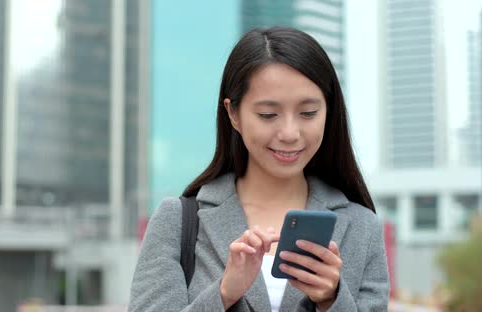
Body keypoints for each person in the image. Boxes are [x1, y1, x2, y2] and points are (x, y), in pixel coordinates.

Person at [129, 26, 389, 312]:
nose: (290, 133)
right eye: (268, 114)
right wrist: (224, 294)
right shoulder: (177, 222)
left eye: (308, 113)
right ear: (233, 114)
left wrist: (332, 300)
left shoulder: (362, 226)